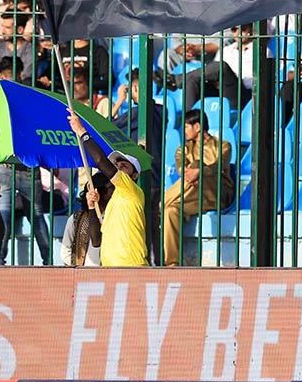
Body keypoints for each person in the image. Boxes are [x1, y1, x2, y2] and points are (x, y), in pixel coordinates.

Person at [68, 110, 147, 266]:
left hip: (131, 267)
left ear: (135, 176)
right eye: (116, 165)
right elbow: (96, 240)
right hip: (110, 269)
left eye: (123, 166)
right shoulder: (115, 201)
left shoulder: (131, 190)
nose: (118, 168)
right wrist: (91, 208)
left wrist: (82, 132)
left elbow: (100, 160)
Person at [162, 110, 235, 266]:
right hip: (193, 194)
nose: (184, 131)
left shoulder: (223, 146)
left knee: (196, 165)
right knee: (170, 211)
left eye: (187, 127)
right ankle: (172, 263)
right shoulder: (183, 149)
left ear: (198, 127)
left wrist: (200, 171)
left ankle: (160, 204)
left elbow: (219, 166)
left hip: (217, 194)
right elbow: (182, 170)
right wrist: (194, 174)